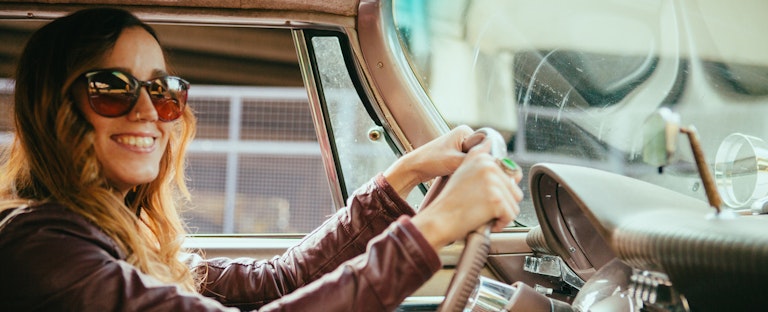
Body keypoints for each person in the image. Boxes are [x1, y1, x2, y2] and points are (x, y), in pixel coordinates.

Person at [0, 7, 523, 311]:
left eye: (162, 92)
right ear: (55, 107)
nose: (147, 112)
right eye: (112, 89)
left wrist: (404, 174)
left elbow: (274, 283)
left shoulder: (117, 232)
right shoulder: (42, 250)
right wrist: (435, 227)